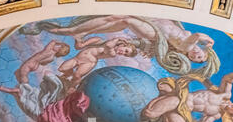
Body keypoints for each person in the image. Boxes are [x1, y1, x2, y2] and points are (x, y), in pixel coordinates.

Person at [19, 15, 220, 77]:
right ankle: (57, 29)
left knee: (123, 18)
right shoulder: (183, 32)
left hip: (151, 28)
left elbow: (194, 37)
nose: (196, 55)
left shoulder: (186, 44)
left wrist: (205, 38)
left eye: (196, 59)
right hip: (152, 19)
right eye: (201, 55)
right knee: (106, 19)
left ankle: (52, 28)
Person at [58, 36, 138, 90]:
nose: (123, 53)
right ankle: (68, 74)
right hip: (78, 58)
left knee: (77, 75)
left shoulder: (112, 53)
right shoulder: (100, 40)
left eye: (125, 54)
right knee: (62, 68)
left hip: (89, 62)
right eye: (126, 50)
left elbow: (108, 45)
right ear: (124, 45)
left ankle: (70, 88)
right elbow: (105, 43)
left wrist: (117, 39)